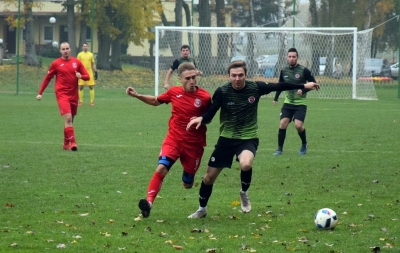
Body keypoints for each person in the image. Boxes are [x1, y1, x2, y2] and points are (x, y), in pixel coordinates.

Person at [186, 60, 320, 218]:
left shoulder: (255, 87)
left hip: (247, 138)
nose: (237, 79)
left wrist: (303, 86)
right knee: (208, 178)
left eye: (240, 75)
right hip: (226, 139)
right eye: (233, 76)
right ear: (229, 76)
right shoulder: (222, 91)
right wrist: (201, 119)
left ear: (246, 75)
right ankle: (202, 209)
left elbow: (278, 86)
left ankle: (243, 192)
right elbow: (211, 111)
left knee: (246, 163)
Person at [126, 62, 211, 218]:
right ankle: (149, 203)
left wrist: (201, 119)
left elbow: (210, 117)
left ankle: (188, 178)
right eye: (188, 78)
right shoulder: (173, 92)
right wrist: (137, 95)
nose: (192, 81)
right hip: (174, 140)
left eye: (194, 77)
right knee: (161, 168)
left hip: (194, 145)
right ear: (180, 79)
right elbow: (155, 101)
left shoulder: (205, 97)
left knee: (187, 184)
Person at [36, 42, 90, 151]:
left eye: (67, 48)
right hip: (62, 94)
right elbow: (47, 78)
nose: (65, 51)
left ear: (70, 49)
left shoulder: (77, 62)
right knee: (68, 118)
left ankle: (66, 143)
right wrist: (40, 92)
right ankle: (73, 143)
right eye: (63, 49)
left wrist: (81, 76)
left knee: (70, 120)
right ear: (60, 51)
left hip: (74, 95)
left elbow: (87, 76)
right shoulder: (56, 63)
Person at [272, 48, 317, 156]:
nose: (291, 59)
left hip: (300, 103)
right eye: (290, 57)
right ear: (287, 57)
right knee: (283, 123)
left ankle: (304, 144)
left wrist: (304, 90)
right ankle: (279, 149)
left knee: (298, 125)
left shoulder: (304, 70)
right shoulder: (284, 71)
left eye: (294, 57)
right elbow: (280, 85)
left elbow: (314, 84)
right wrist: (276, 98)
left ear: (297, 58)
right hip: (288, 102)